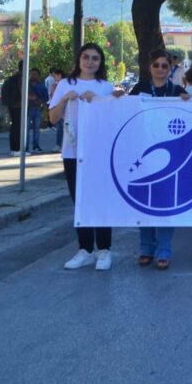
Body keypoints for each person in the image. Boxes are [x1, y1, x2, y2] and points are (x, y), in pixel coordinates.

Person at [48, 43, 120, 271]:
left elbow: (112, 118)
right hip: (73, 152)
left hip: (99, 153)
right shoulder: (65, 85)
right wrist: (64, 100)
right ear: (79, 59)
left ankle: (104, 249)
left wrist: (102, 100)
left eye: (95, 58)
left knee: (100, 199)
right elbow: (52, 118)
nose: (90, 62)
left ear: (100, 62)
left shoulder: (105, 86)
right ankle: (85, 249)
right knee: (79, 200)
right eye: (86, 57)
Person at [129, 48, 191, 270]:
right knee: (145, 203)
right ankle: (146, 248)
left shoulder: (177, 91)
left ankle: (164, 250)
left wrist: (189, 101)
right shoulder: (139, 89)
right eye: (156, 65)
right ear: (150, 67)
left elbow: (191, 115)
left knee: (165, 204)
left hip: (169, 156)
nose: (160, 69)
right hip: (143, 153)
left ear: (170, 68)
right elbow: (125, 115)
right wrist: (116, 100)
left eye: (165, 65)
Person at [1, 61, 24, 157]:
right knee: (18, 128)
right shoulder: (21, 78)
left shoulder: (14, 78)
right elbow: (23, 91)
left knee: (14, 127)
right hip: (18, 105)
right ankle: (17, 149)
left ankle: (14, 149)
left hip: (12, 105)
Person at [27, 67, 49, 153]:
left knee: (37, 129)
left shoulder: (42, 86)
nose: (33, 76)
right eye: (31, 74)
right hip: (28, 109)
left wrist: (39, 101)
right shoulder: (26, 84)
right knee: (26, 129)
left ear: (38, 75)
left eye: (35, 74)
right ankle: (26, 146)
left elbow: (46, 98)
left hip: (37, 109)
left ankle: (36, 145)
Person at [48, 68, 65, 151]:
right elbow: (52, 96)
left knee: (64, 128)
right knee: (59, 128)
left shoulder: (65, 84)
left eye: (55, 76)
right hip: (56, 108)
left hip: (64, 108)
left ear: (59, 75)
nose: (54, 78)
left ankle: (62, 145)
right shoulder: (54, 85)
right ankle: (59, 144)